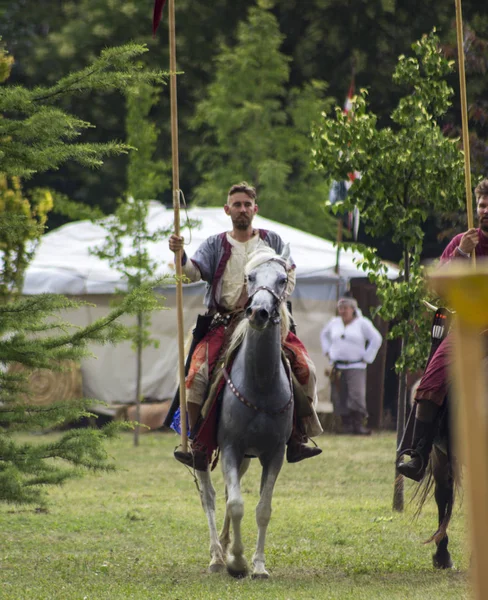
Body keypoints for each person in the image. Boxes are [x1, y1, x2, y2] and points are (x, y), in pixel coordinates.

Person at [168, 181, 323, 470]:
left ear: (255, 209)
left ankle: (298, 436)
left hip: (269, 322)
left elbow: (288, 276)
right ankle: (196, 443)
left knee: (307, 369)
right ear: (227, 210)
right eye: (236, 204)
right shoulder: (215, 244)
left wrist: (272, 300)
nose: (242, 209)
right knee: (195, 376)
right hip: (224, 323)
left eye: (246, 204)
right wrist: (181, 255)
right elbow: (192, 273)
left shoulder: (273, 241)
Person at [398, 178, 488, 481]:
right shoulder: (463, 241)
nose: (485, 209)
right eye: (482, 204)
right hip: (466, 329)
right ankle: (419, 454)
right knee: (429, 383)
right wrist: (461, 254)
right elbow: (441, 286)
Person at [320, 295, 383, 435]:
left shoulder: (362, 323)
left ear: (353, 309)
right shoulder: (334, 322)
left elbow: (376, 338)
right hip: (338, 366)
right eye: (340, 308)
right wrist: (328, 352)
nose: (342, 311)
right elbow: (324, 335)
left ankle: (358, 425)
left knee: (356, 395)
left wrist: (367, 357)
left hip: (356, 366)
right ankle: (345, 425)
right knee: (339, 395)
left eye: (345, 308)